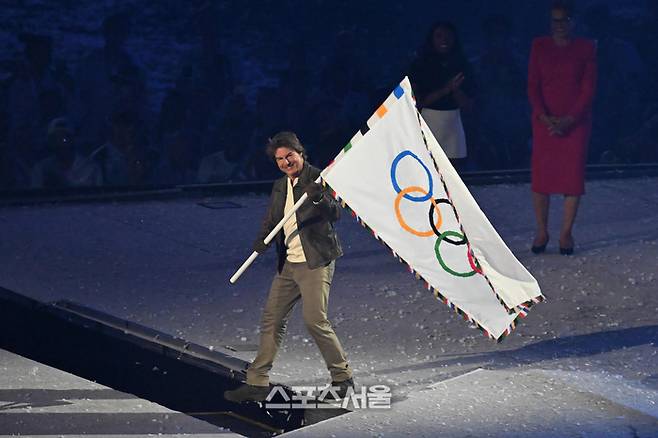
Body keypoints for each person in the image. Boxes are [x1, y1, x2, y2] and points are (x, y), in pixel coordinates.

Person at [224, 131, 353, 403]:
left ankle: (343, 379)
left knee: (315, 321)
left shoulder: (318, 179)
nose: (285, 162)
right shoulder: (280, 186)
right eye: (280, 159)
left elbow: (336, 213)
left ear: (300, 153)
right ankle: (257, 382)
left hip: (315, 261)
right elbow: (273, 218)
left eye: (289, 156)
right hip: (289, 264)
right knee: (272, 319)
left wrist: (318, 197)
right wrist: (261, 240)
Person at [527, 0, 597, 255]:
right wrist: (543, 115)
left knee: (572, 176)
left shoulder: (586, 48)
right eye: (555, 20)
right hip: (544, 121)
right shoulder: (540, 46)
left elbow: (587, 88)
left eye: (564, 20)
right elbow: (533, 84)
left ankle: (566, 232)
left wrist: (569, 119)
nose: (559, 25)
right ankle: (542, 230)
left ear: (573, 22)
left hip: (575, 123)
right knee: (541, 177)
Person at [409, 21, 475, 168]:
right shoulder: (419, 66)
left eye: (448, 36)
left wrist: (455, 90)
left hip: (454, 122)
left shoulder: (464, 65)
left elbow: (469, 106)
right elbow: (418, 102)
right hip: (428, 121)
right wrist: (446, 89)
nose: (444, 40)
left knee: (453, 170)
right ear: (432, 39)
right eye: (439, 36)